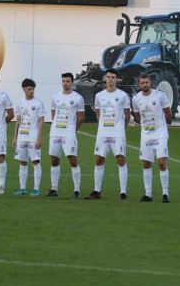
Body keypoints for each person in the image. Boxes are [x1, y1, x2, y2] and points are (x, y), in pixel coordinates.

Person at [86, 69, 130, 200]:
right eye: (108, 77)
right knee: (99, 160)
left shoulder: (123, 95)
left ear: (117, 79)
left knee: (120, 160)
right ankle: (97, 191)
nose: (110, 79)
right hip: (103, 133)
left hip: (117, 134)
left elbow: (127, 115)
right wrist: (103, 125)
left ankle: (123, 192)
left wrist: (121, 128)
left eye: (113, 77)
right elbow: (98, 113)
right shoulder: (99, 96)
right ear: (105, 78)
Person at [131, 73, 172, 203]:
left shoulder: (159, 95)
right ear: (139, 85)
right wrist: (144, 124)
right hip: (146, 135)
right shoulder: (136, 98)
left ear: (150, 82)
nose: (145, 85)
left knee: (161, 162)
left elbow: (168, 113)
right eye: (142, 83)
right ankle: (148, 194)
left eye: (147, 82)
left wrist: (163, 126)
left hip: (160, 134)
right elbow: (136, 115)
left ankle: (165, 194)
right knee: (146, 164)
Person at [48, 72, 85, 198]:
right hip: (55, 132)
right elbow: (53, 114)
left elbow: (81, 117)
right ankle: (54, 189)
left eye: (68, 81)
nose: (65, 83)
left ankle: (76, 189)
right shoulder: (55, 97)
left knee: (73, 160)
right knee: (54, 160)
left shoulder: (78, 98)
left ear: (72, 83)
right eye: (63, 81)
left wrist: (72, 130)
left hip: (68, 133)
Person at [13, 78, 45, 197]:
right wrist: (15, 137)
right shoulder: (20, 102)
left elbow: (41, 121)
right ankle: (22, 188)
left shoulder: (38, 103)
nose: (32, 91)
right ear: (24, 89)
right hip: (22, 137)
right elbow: (18, 121)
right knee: (22, 162)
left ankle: (36, 189)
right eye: (29, 89)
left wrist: (39, 138)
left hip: (33, 137)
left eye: (33, 89)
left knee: (36, 162)